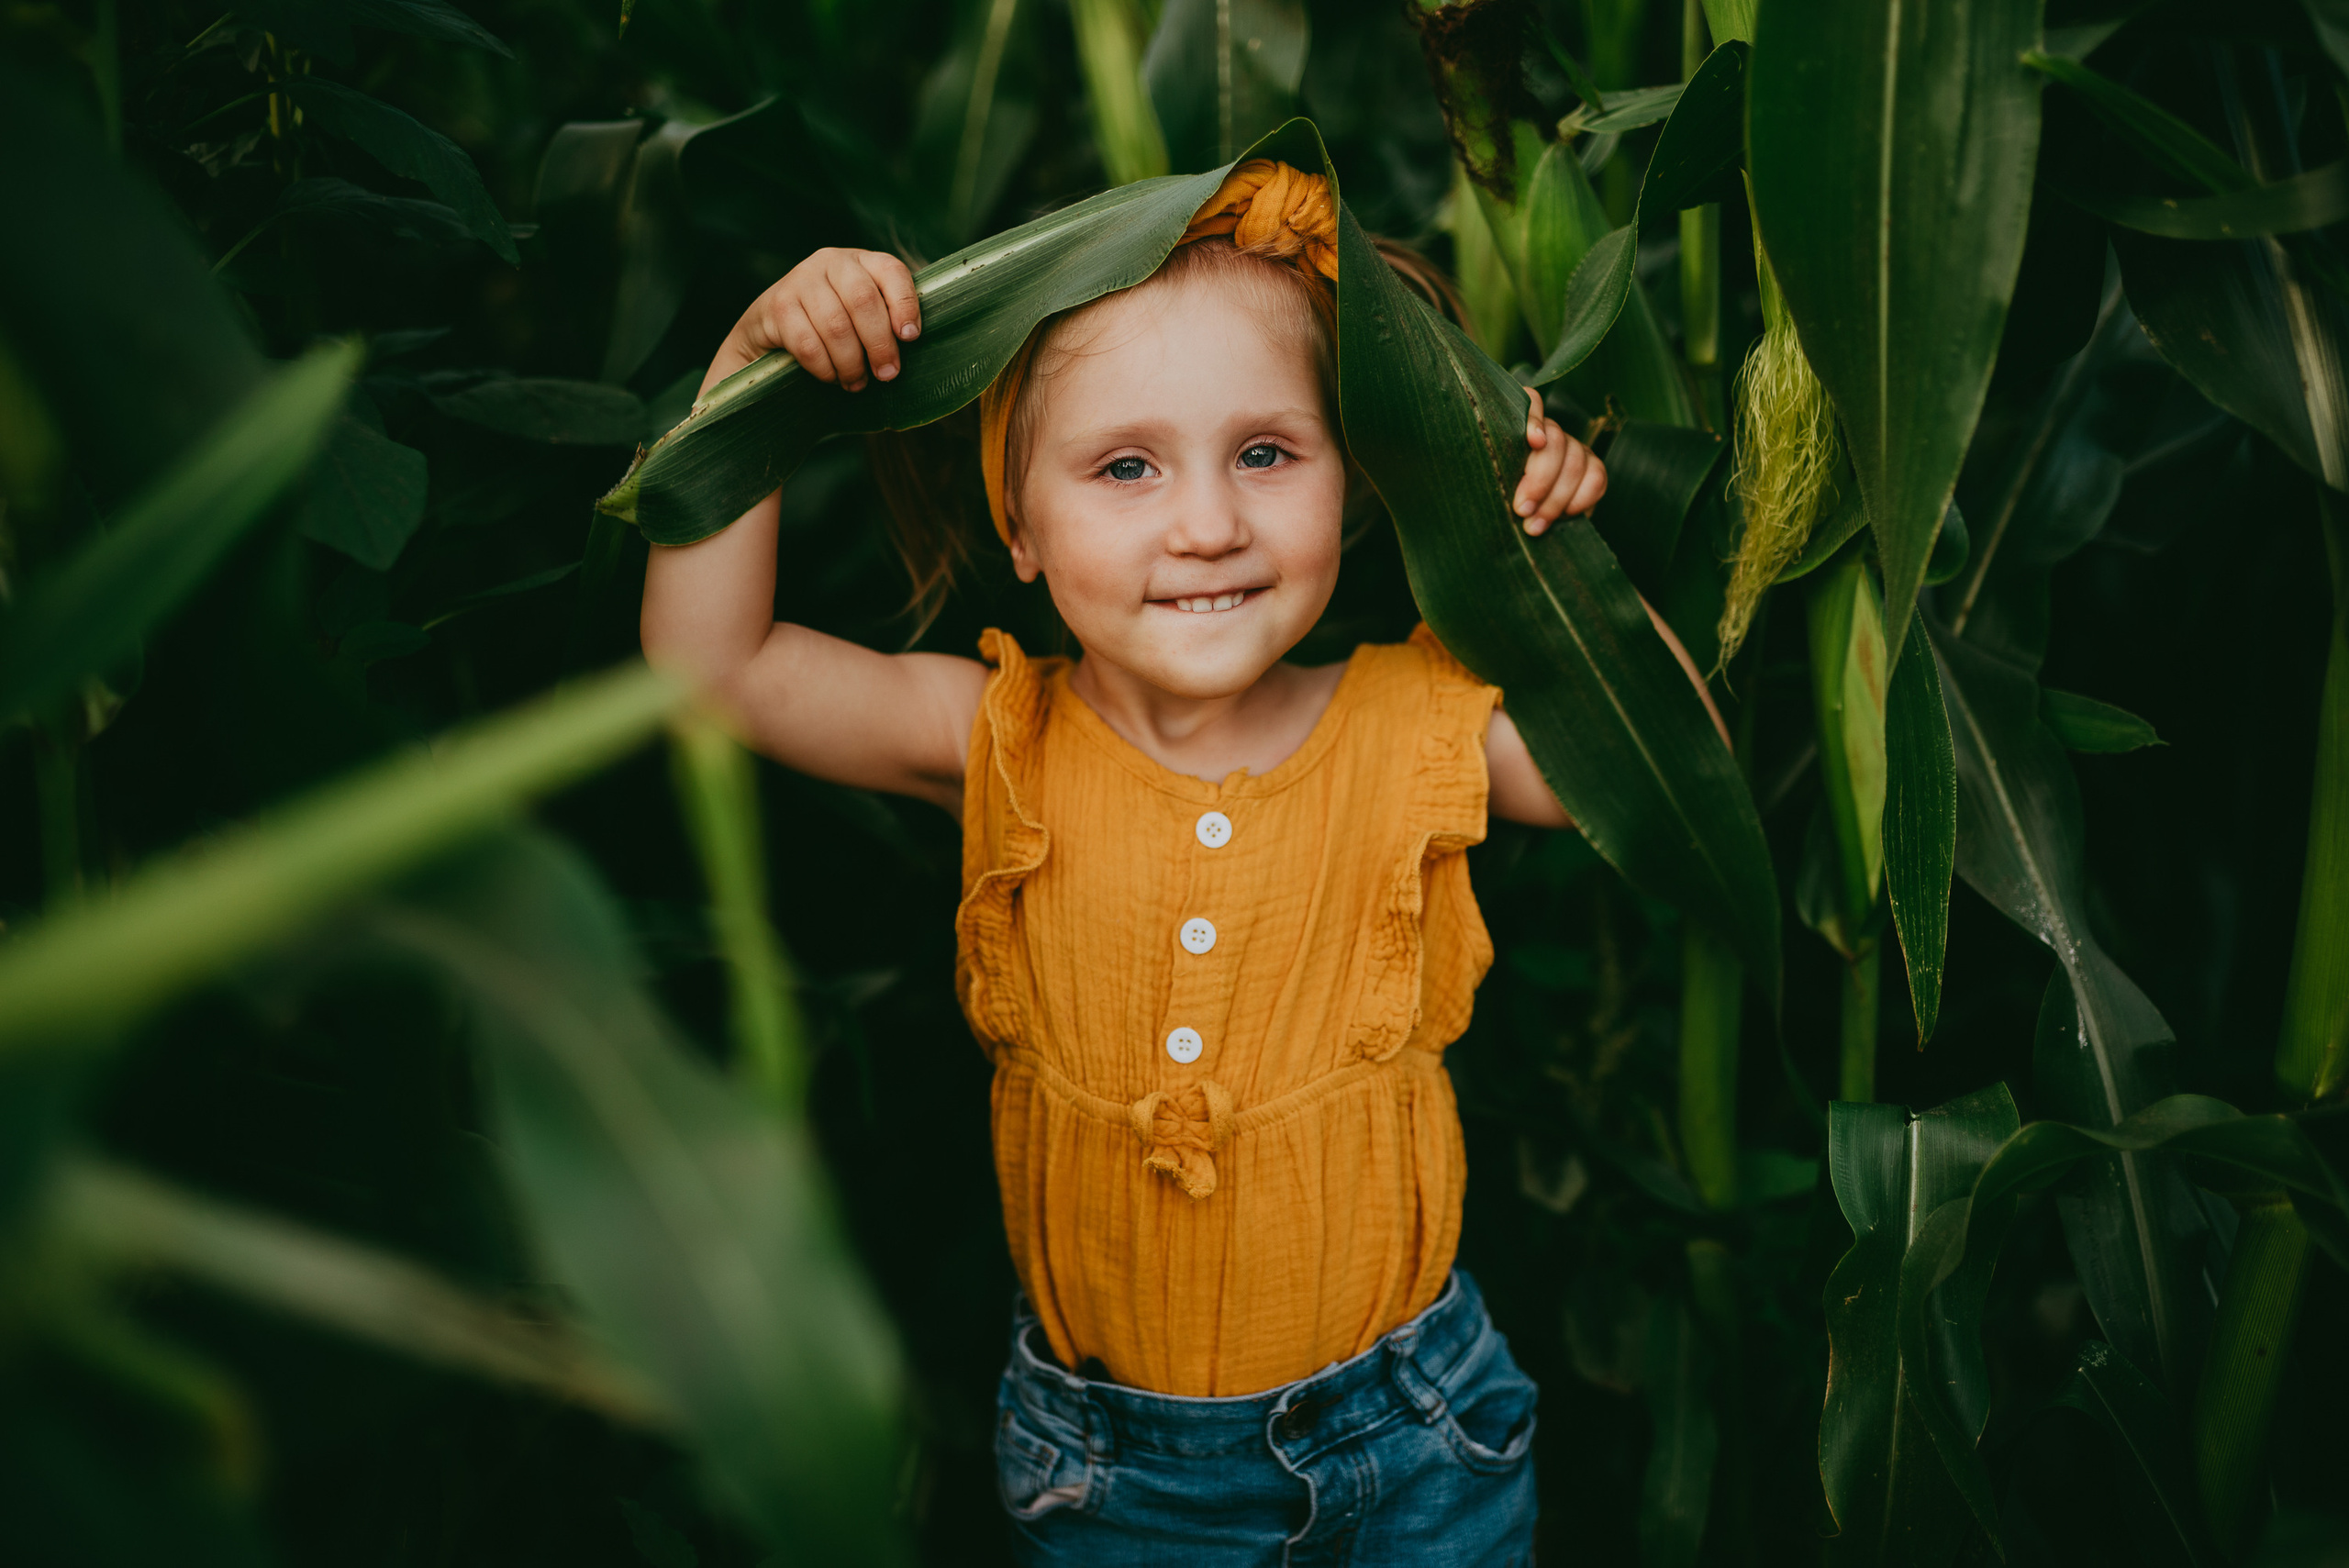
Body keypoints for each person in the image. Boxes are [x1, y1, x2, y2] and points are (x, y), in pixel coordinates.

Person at [640, 161, 1720, 1566]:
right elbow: (711, 670)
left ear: (1355, 478)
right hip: (1114, 1481)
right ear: (1019, 526)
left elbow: (1664, 764)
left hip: (1415, 1445)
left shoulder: (1417, 725)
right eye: (1126, 466)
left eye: (1266, 453)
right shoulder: (1000, 738)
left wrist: (1560, 547)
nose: (1206, 522)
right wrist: (751, 380)